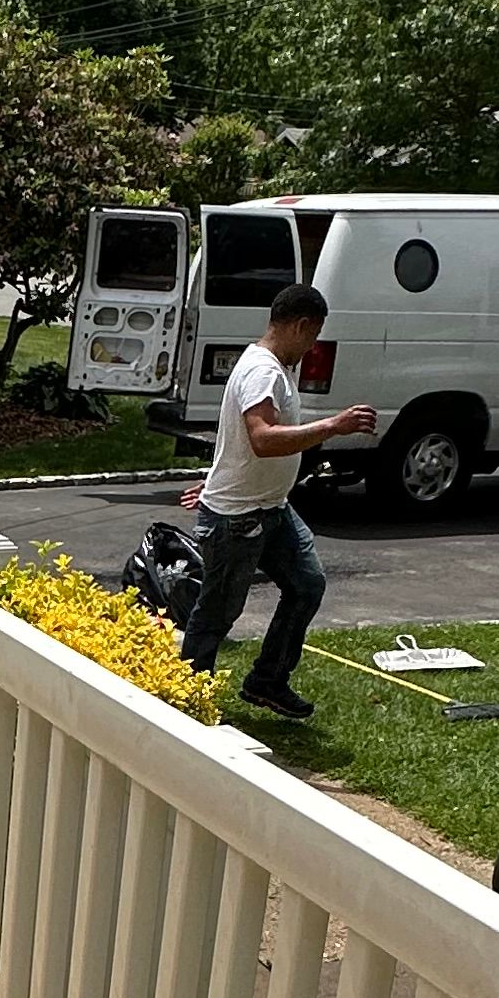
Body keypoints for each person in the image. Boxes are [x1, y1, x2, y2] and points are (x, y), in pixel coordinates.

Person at [178, 279, 375, 711]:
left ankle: (266, 681)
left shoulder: (278, 368)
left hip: (272, 510)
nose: (311, 347)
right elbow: (262, 439)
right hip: (237, 520)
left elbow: (231, 438)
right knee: (216, 615)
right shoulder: (262, 370)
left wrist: (213, 480)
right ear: (301, 326)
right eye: (314, 336)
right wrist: (331, 427)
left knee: (307, 585)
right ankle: (187, 701)